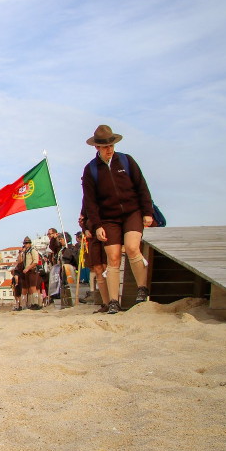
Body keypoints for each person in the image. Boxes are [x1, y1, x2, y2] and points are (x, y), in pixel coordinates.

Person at [81, 125, 155, 314]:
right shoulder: (91, 170)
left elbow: (142, 186)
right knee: (113, 258)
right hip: (108, 218)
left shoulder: (126, 161)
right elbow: (90, 202)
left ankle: (142, 289)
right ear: (96, 147)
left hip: (132, 212)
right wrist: (96, 225)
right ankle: (114, 301)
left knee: (131, 247)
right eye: (105, 146)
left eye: (111, 145)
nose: (109, 149)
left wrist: (148, 212)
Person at [18, 237, 42, 310]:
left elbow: (35, 261)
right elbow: (21, 261)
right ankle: (32, 303)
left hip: (32, 270)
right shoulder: (26, 252)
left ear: (30, 243)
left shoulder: (33, 251)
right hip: (27, 272)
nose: (25, 244)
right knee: (30, 288)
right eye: (24, 243)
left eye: (27, 243)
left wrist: (28, 268)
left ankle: (36, 303)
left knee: (33, 287)